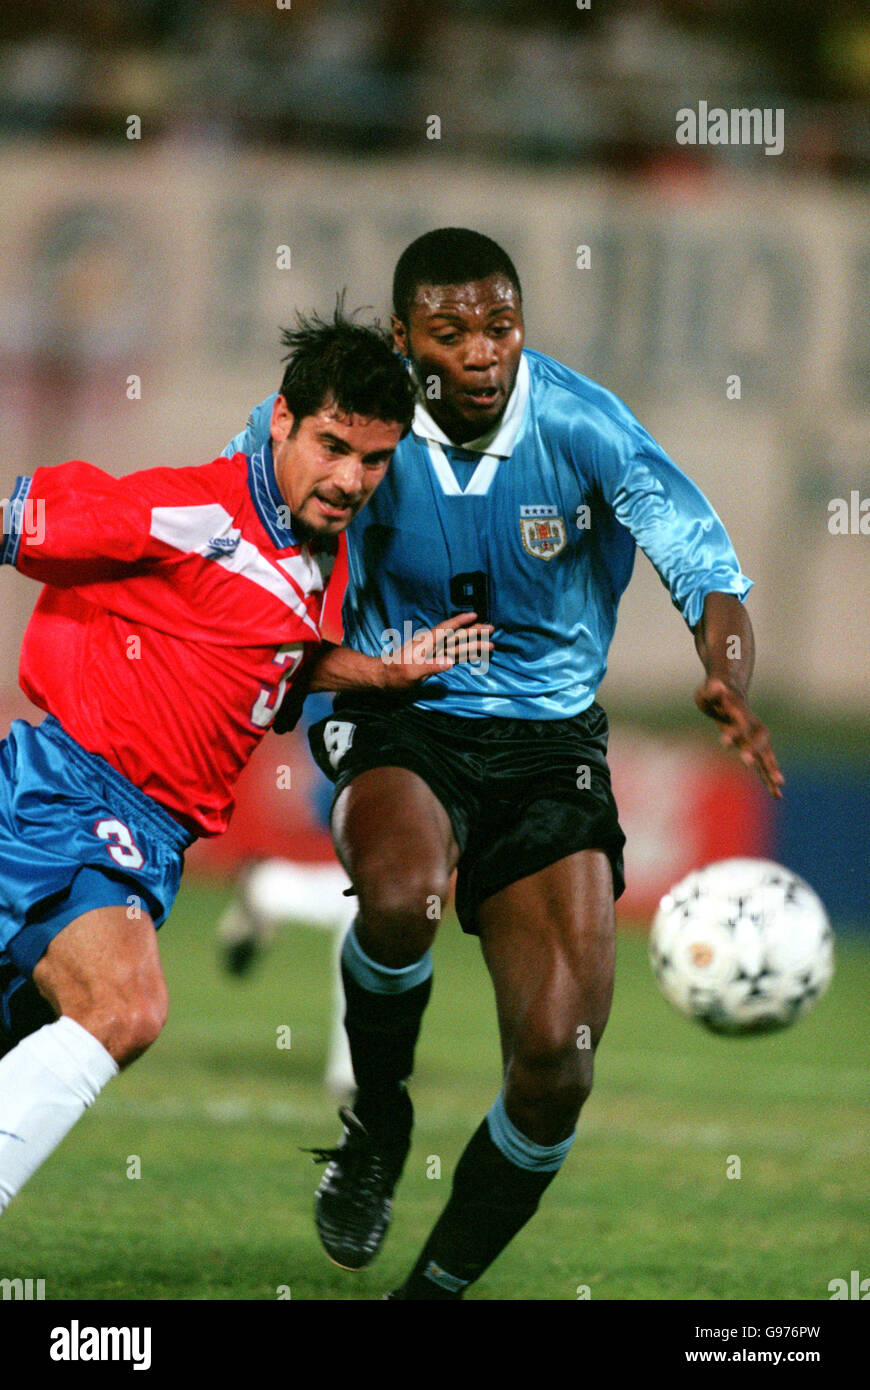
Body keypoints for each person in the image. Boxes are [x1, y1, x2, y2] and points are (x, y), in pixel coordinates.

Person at [224, 228, 784, 1300]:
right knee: (400, 895)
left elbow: (707, 574)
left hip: (549, 745)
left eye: (501, 326)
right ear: (404, 339)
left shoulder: (582, 425)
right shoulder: (354, 428)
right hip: (401, 706)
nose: (483, 352)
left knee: (557, 1063)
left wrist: (729, 677)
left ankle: (430, 1293)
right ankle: (378, 1123)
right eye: (452, 331)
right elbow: (241, 527)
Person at [0, 305, 490, 1216]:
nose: (350, 479)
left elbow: (270, 662)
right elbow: (29, 522)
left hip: (148, 839)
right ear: (280, 420)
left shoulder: (319, 559)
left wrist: (381, 674)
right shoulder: (198, 512)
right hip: (70, 795)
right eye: (333, 445)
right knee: (124, 1008)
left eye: (374, 460)